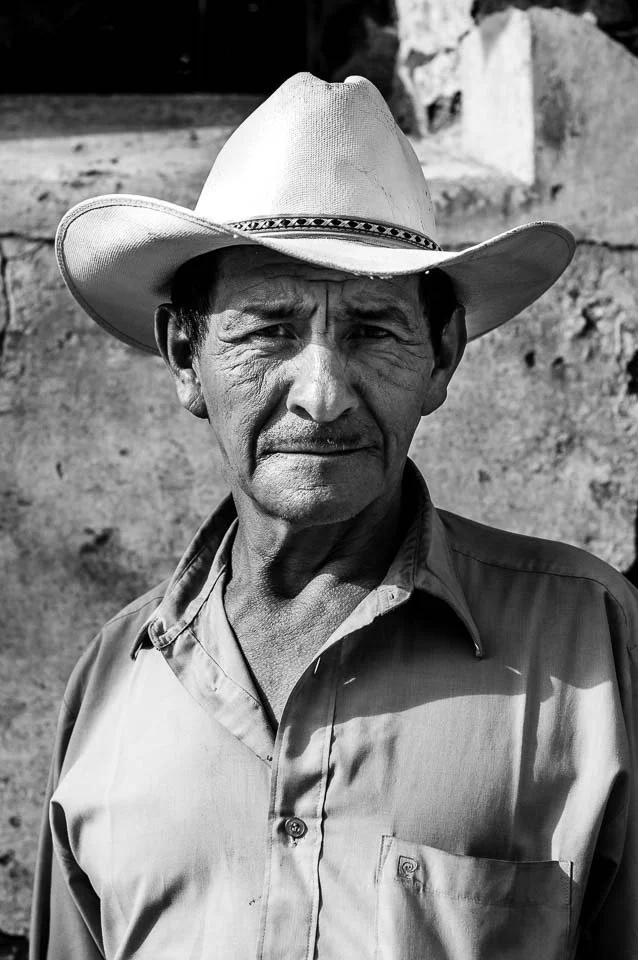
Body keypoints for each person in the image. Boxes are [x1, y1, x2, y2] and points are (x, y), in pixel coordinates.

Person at [30, 73, 636, 960]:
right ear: (184, 355)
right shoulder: (112, 687)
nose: (321, 396)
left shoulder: (594, 644)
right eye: (268, 330)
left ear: (442, 358)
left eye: (372, 331)